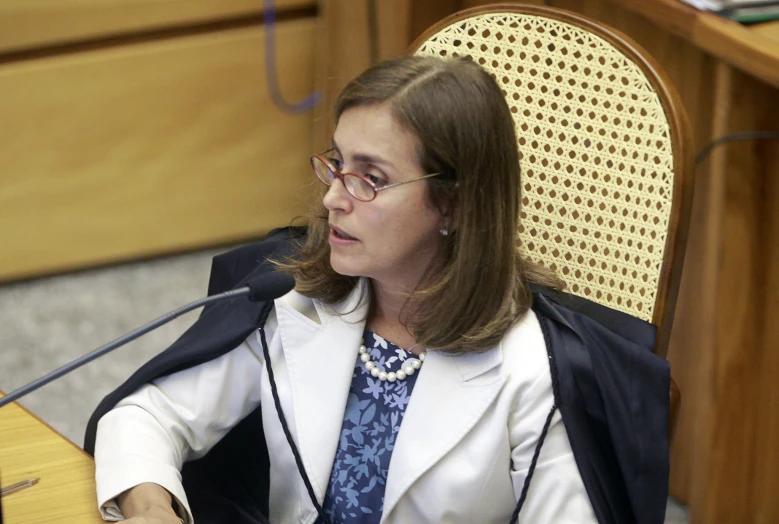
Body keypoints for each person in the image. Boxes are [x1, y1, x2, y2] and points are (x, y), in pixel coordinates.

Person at [90, 55, 669, 524]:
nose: (333, 198)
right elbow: (149, 413)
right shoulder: (299, 298)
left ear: (455, 204)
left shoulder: (537, 372)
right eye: (337, 163)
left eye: (371, 178)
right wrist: (150, 506)